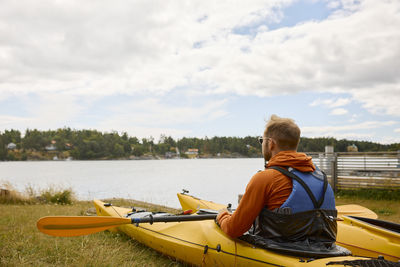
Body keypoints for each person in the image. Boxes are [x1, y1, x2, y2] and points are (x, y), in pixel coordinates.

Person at [216, 115, 348, 257]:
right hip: (323, 251)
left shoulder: (264, 179)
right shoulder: (321, 177)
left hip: (280, 253)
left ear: (270, 143)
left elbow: (234, 229)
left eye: (262, 141)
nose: (262, 144)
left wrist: (222, 215)